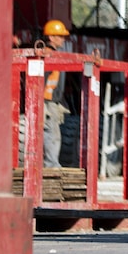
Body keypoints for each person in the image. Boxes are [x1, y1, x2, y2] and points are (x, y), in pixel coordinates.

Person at [41, 19, 70, 168]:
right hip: (47, 102)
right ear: (51, 37)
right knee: (51, 134)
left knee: (52, 134)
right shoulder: (48, 55)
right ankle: (51, 165)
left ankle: (50, 164)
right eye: (60, 36)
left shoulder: (52, 54)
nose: (63, 39)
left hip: (51, 101)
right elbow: (42, 78)